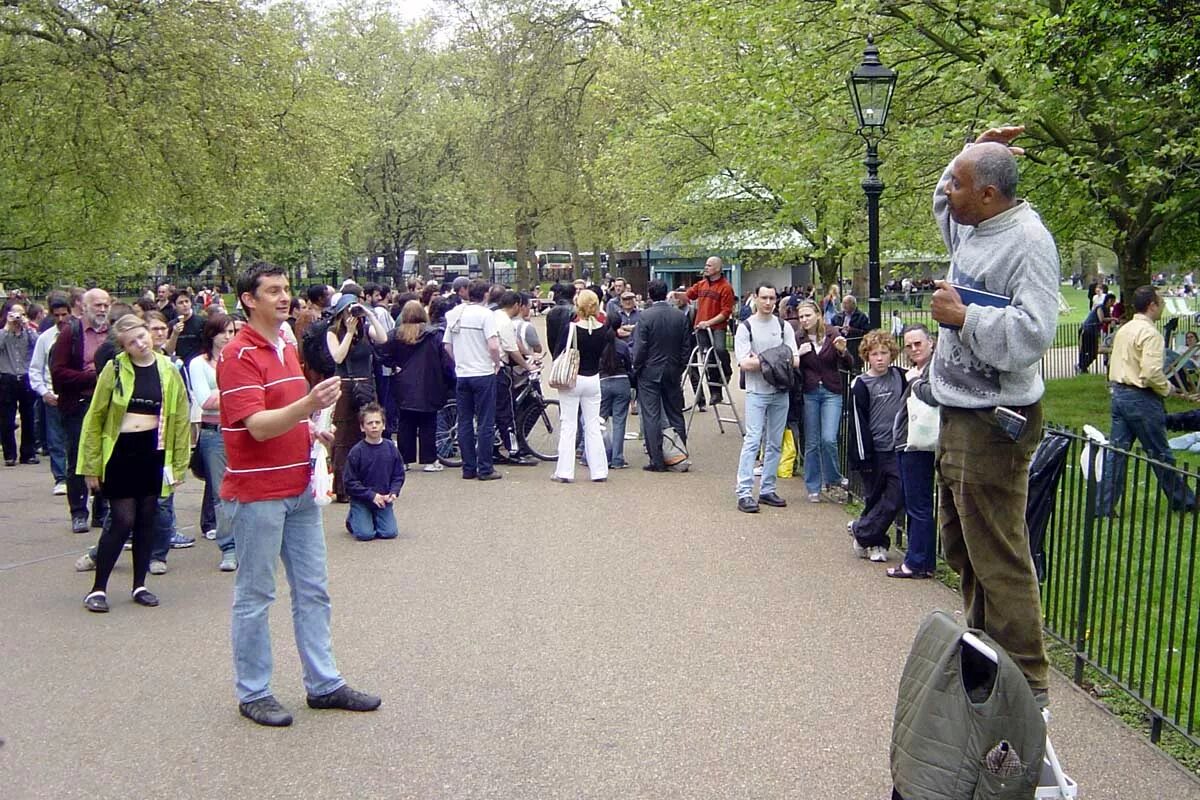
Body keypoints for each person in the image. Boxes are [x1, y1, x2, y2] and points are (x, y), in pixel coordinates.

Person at [218, 261, 380, 728]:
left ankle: (323, 683)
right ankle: (254, 691)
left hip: (298, 487)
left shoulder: (287, 343)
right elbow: (258, 426)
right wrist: (310, 405)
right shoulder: (239, 354)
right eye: (273, 291)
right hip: (259, 492)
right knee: (256, 594)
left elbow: (281, 414)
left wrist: (310, 429)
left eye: (286, 289)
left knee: (313, 590)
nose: (284, 297)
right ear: (250, 299)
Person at [929, 125, 1058, 705]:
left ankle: (1028, 691)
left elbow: (1033, 335)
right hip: (958, 412)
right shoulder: (971, 223)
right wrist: (972, 146)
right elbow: (942, 198)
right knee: (962, 547)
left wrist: (963, 320)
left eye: (958, 182)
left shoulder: (1027, 242)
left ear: (987, 195)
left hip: (994, 421)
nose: (945, 192)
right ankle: (985, 658)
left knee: (998, 556)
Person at [77, 314, 190, 613]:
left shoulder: (167, 368)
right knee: (122, 519)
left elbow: (179, 417)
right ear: (123, 347)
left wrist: (178, 464)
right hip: (120, 450)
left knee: (147, 518)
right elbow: (95, 417)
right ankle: (98, 587)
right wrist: (90, 465)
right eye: (132, 342)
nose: (141, 343)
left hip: (153, 450)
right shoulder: (114, 370)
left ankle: (140, 584)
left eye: (143, 336)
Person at [1098, 286, 1197, 514]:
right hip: (1141, 398)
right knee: (1160, 453)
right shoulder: (1151, 334)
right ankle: (1185, 502)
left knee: (1117, 453)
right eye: (1160, 301)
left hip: (1119, 394)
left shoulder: (1125, 329)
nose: (1162, 305)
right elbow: (1151, 373)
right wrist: (1168, 388)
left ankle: (1102, 506)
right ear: (1152, 305)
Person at [733, 283, 799, 513]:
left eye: (772, 298)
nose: (769, 303)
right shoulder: (746, 327)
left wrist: (761, 359)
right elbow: (744, 363)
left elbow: (795, 359)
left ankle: (767, 489)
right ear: (756, 298)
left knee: (774, 442)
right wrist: (777, 358)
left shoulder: (783, 327)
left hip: (780, 391)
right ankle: (744, 491)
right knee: (752, 441)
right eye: (764, 298)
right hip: (757, 392)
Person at [51, 288, 111, 534]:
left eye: (106, 304)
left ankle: (102, 510)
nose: (102, 309)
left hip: (109, 404)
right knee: (79, 457)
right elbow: (58, 372)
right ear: (84, 307)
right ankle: (78, 511)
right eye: (97, 305)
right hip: (79, 404)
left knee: (107, 457)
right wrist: (92, 379)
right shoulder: (70, 333)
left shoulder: (114, 333)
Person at [846, 331, 907, 562]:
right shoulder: (861, 384)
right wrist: (863, 457)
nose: (880, 358)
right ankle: (876, 544)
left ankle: (862, 531)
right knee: (874, 497)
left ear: (891, 354)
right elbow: (858, 424)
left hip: (896, 448)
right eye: (874, 354)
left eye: (884, 353)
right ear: (867, 357)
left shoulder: (901, 377)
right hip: (873, 451)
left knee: (897, 494)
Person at [377, 300, 455, 471]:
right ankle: (429, 460)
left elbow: (380, 351)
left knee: (405, 423)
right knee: (428, 422)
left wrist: (393, 365)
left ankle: (405, 460)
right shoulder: (434, 335)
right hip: (430, 383)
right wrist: (449, 380)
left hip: (403, 384)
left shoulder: (395, 334)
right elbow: (446, 362)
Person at [887, 325, 939, 579]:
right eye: (909, 346)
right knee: (917, 503)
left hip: (919, 443)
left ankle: (915, 561)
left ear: (931, 342)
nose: (914, 349)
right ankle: (924, 561)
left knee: (918, 504)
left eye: (918, 343)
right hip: (909, 441)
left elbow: (935, 396)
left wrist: (916, 382)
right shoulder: (917, 370)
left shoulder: (934, 369)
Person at [326, 293, 388, 501]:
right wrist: (349, 332)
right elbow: (338, 356)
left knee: (368, 433)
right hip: (344, 386)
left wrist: (369, 314)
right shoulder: (332, 332)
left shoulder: (365, 330)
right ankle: (342, 487)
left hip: (365, 385)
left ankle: (367, 484)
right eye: (348, 310)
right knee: (343, 437)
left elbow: (383, 338)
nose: (352, 314)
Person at [189, 313, 238, 571]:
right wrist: (237, 391)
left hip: (241, 429)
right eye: (224, 332)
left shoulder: (238, 359)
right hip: (214, 432)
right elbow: (204, 400)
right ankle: (228, 547)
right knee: (222, 492)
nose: (229, 337)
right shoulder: (199, 364)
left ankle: (244, 541)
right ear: (212, 335)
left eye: (232, 332)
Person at [443, 279, 503, 481]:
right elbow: (493, 345)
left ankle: (468, 468)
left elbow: (447, 346)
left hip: (463, 374)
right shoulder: (486, 315)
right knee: (485, 421)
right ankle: (485, 468)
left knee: (464, 421)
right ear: (486, 294)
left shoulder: (455, 314)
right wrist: (496, 363)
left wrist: (460, 361)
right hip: (483, 372)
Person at [551, 290, 612, 483]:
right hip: (593, 379)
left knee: (569, 425)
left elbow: (559, 351)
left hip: (572, 379)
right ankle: (599, 471)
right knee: (593, 425)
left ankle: (565, 471)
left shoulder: (571, 328)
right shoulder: (603, 329)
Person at [794, 300, 852, 502]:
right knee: (811, 441)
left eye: (808, 315)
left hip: (831, 391)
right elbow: (793, 367)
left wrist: (843, 351)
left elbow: (849, 363)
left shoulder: (832, 332)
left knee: (828, 438)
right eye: (801, 316)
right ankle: (813, 486)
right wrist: (797, 356)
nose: (804, 320)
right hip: (810, 392)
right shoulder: (798, 337)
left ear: (818, 315)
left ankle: (834, 477)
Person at [633, 280, 691, 471]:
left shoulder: (645, 316)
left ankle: (656, 460)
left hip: (650, 370)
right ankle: (680, 455)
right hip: (672, 369)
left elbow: (641, 347)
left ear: (650, 294)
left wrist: (637, 367)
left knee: (651, 415)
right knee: (676, 413)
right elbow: (686, 347)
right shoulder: (680, 316)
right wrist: (680, 367)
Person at [342, 403, 405, 541]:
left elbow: (398, 474)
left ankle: (372, 518)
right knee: (365, 535)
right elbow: (349, 481)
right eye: (370, 423)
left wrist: (393, 492)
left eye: (378, 422)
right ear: (362, 427)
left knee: (389, 533)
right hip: (362, 499)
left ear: (383, 425)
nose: (374, 426)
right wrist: (371, 495)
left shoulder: (391, 448)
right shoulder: (356, 452)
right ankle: (353, 517)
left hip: (384, 499)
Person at [29, 295, 71, 494]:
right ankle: (60, 477)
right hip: (52, 395)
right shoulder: (45, 338)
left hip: (74, 395)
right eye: (57, 315)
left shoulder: (77, 335)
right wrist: (44, 392)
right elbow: (36, 368)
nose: (61, 319)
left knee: (75, 437)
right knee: (55, 439)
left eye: (64, 314)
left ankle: (75, 475)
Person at [685, 256, 736, 405]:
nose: (706, 268)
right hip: (701, 328)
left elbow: (726, 312)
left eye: (709, 265)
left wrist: (709, 322)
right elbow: (688, 295)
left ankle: (727, 370)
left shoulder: (726, 287)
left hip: (716, 327)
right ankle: (715, 393)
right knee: (708, 359)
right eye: (706, 265)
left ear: (718, 269)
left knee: (720, 349)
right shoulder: (701, 284)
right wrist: (676, 295)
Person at [0, 301, 39, 467]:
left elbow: (38, 345)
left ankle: (28, 453)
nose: (17, 317)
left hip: (25, 377)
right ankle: (10, 454)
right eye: (14, 314)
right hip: (7, 377)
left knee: (28, 417)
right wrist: (8, 326)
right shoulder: (3, 333)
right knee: (7, 419)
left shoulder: (28, 333)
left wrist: (27, 326)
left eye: (21, 313)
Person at [599, 311, 634, 469]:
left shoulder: (599, 344)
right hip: (622, 382)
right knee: (619, 422)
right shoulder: (623, 345)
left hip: (603, 381)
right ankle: (617, 458)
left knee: (598, 421)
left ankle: (592, 455)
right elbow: (629, 366)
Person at [831, 295, 870, 372]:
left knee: (855, 372)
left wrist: (852, 330)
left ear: (853, 304)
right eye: (843, 303)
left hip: (854, 348)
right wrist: (834, 329)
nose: (844, 305)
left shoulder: (861, 317)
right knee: (842, 373)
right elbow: (830, 328)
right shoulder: (838, 316)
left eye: (847, 303)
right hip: (841, 349)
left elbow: (867, 333)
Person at [1077, 292, 1113, 374]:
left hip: (1094, 332)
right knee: (1085, 350)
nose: (1113, 304)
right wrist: (1113, 319)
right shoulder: (1100, 307)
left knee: (1094, 353)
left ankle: (1082, 366)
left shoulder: (1106, 310)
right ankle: (1082, 367)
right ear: (1109, 300)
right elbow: (1101, 319)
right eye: (1112, 301)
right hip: (1087, 330)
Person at [166, 290, 205, 364]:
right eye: (180, 303)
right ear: (174, 306)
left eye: (187, 301)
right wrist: (175, 334)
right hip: (180, 363)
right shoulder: (172, 324)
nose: (185, 305)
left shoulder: (201, 322)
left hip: (198, 362)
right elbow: (168, 351)